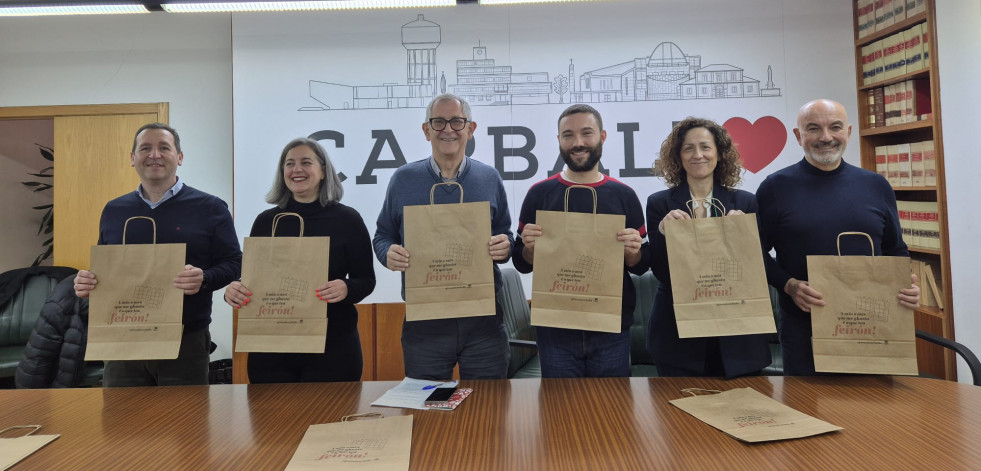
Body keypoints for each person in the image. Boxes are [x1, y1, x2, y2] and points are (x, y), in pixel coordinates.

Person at [757, 99, 920, 376]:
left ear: (848, 131)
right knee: (807, 411)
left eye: (835, 127)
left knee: (874, 411)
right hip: (803, 327)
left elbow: (895, 248)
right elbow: (756, 256)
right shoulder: (775, 188)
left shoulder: (876, 185)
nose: (826, 137)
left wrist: (906, 284)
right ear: (798, 136)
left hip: (874, 323)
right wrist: (789, 285)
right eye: (813, 129)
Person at [73, 123, 242, 387]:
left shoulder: (210, 207)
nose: (155, 155)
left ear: (180, 157)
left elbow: (234, 263)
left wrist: (204, 278)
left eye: (164, 147)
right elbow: (107, 269)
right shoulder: (114, 210)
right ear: (132, 158)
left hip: (185, 340)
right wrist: (88, 283)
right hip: (122, 340)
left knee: (185, 424)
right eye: (145, 148)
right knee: (122, 424)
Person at [373, 93, 513, 380]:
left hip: (483, 322)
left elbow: (505, 234)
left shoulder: (490, 178)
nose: (448, 129)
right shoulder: (403, 179)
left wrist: (506, 246)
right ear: (426, 130)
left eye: (457, 122)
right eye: (438, 122)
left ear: (470, 129)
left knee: (487, 410)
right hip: (425, 323)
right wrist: (388, 253)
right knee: (428, 413)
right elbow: (383, 235)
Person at [512, 104, 648, 378]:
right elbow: (521, 263)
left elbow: (640, 266)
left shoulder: (625, 195)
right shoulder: (539, 194)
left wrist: (633, 252)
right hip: (555, 330)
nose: (578, 143)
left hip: (611, 328)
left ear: (603, 136)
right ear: (559, 140)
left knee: (612, 410)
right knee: (560, 412)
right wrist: (528, 250)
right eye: (568, 135)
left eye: (587, 133)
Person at [223, 138, 375, 383]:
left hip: (333, 348)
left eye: (306, 162)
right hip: (271, 351)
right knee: (272, 421)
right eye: (289, 164)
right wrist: (234, 289)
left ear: (323, 170)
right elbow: (253, 278)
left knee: (329, 419)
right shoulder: (266, 221)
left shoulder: (348, 219)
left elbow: (366, 280)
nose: (297, 170)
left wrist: (347, 287)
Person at [645, 117, 771, 377]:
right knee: (678, 416)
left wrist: (745, 236)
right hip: (678, 335)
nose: (697, 155)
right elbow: (660, 271)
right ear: (678, 156)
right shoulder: (660, 203)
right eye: (688, 148)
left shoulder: (745, 203)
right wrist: (661, 233)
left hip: (738, 336)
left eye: (705, 147)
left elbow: (756, 269)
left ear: (719, 154)